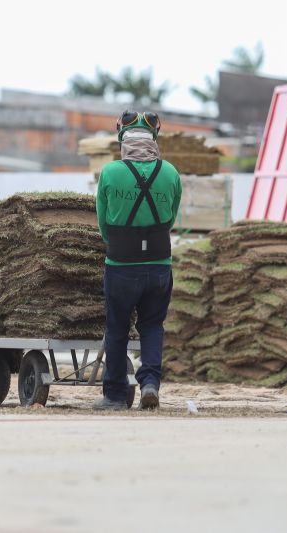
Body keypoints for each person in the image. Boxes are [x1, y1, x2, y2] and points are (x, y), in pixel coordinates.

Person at [94, 110, 182, 410]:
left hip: (120, 265)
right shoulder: (170, 173)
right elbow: (170, 217)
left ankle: (116, 396)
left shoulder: (109, 173)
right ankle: (149, 383)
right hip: (159, 263)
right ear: (154, 137)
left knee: (117, 329)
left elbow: (104, 225)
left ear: (122, 137)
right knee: (153, 326)